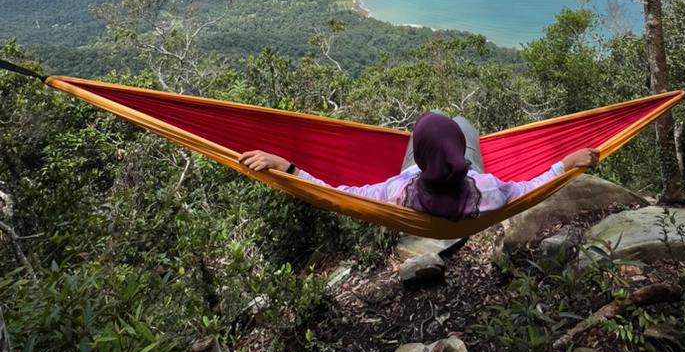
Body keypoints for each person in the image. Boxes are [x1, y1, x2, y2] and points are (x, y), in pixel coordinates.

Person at [239, 110, 599, 221]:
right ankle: (453, 131)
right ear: (461, 155)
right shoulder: (487, 190)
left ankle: (436, 136)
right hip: (457, 171)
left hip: (419, 174)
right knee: (459, 121)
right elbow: (526, 189)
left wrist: (289, 169)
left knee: (428, 125)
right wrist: (564, 165)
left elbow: (339, 193)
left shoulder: (396, 193)